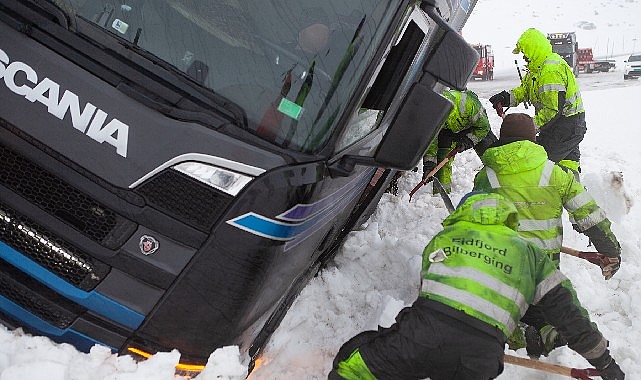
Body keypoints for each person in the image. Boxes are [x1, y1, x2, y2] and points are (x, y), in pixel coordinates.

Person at [329, 192, 625, 380]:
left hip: (420, 337)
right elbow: (568, 314)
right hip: (481, 356)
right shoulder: (530, 253)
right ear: (508, 219)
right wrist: (604, 362)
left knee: (352, 366)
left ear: (464, 211)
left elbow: (429, 293)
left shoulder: (444, 238)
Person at [472, 112, 622, 357]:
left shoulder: (486, 177)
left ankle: (517, 333)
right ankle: (547, 333)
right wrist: (610, 249)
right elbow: (589, 215)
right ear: (534, 140)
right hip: (544, 268)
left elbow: (475, 222)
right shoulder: (554, 173)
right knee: (543, 303)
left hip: (501, 261)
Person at [488, 27, 586, 177]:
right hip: (559, 125)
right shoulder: (536, 70)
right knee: (567, 162)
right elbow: (525, 91)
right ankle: (572, 191)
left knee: (541, 161)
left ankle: (555, 193)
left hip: (567, 125)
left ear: (533, 50)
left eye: (524, 53)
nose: (523, 57)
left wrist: (529, 127)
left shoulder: (550, 70)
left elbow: (552, 111)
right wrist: (505, 98)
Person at [422, 88, 497, 193]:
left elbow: (483, 127)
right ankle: (441, 195)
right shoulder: (432, 116)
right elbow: (431, 143)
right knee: (442, 162)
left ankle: (500, 188)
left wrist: (469, 140)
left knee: (492, 157)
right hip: (449, 130)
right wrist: (429, 165)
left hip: (475, 128)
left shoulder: (468, 105)